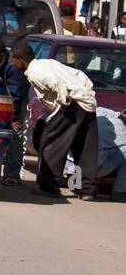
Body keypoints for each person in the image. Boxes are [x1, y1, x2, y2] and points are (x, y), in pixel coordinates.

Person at [25, 58, 101, 199]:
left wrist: (63, 100)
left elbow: (56, 83)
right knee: (84, 147)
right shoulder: (50, 63)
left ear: (19, 60)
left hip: (69, 103)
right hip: (86, 102)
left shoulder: (34, 70)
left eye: (13, 60)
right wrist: (87, 92)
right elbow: (79, 75)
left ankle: (49, 187)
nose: (12, 64)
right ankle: (86, 189)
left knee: (52, 144)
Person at [0, 39, 32, 187]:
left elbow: (16, 95)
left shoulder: (13, 67)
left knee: (14, 136)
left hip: (14, 105)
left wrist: (13, 118)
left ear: (1, 55)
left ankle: (12, 175)